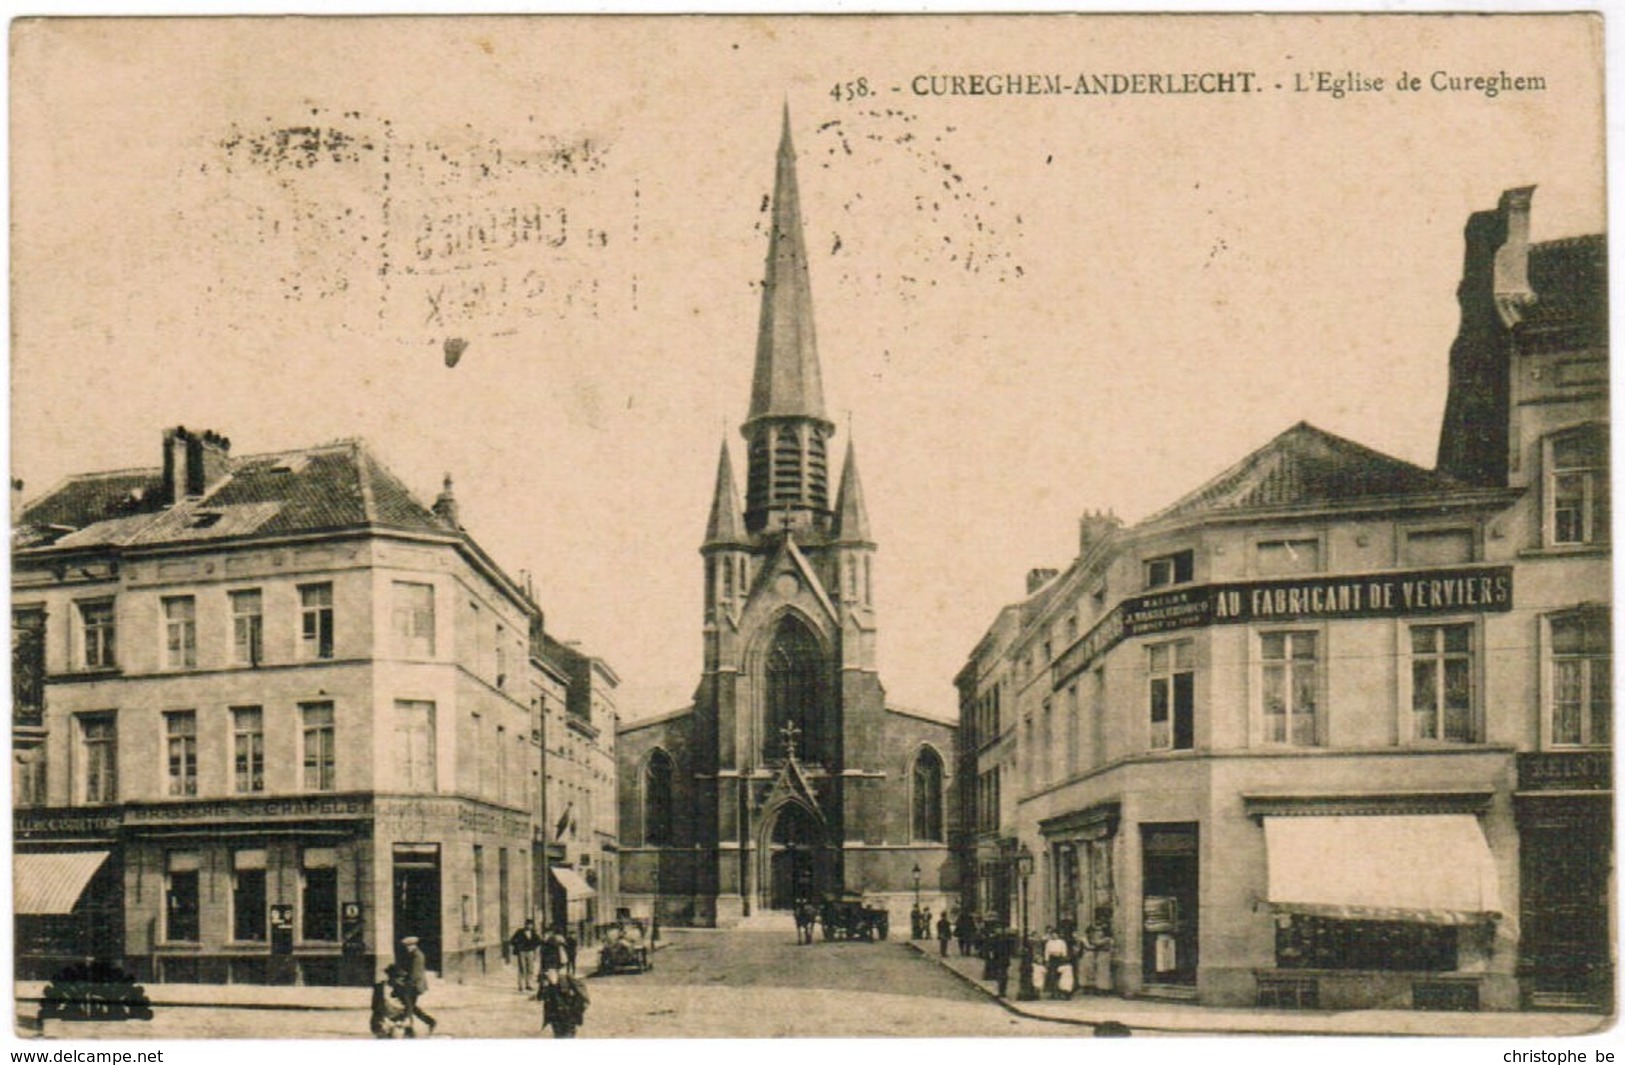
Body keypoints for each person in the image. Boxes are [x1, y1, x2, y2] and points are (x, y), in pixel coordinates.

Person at [398, 936, 436, 1036]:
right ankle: (430, 1022)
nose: (407, 948)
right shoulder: (413, 954)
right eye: (406, 946)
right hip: (413, 984)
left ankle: (408, 1028)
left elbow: (415, 973)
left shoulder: (417, 956)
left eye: (409, 946)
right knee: (411, 1006)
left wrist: (405, 982)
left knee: (409, 1006)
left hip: (414, 985)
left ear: (414, 945)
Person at [537, 969, 590, 1038]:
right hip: (555, 1016)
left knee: (568, 1036)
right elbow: (540, 997)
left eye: (551, 975)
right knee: (558, 1036)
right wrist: (543, 987)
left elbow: (582, 996)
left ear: (556, 973)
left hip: (568, 1015)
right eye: (548, 975)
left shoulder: (567, 980)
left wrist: (577, 1010)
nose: (550, 978)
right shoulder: (547, 983)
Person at [369, 965, 410, 1038]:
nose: (401, 980)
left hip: (398, 1020)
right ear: (392, 977)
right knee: (382, 1033)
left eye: (402, 978)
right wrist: (382, 1018)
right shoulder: (379, 987)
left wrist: (401, 1020)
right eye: (398, 978)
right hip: (382, 1020)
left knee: (397, 1034)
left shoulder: (402, 989)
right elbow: (374, 1006)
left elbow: (408, 1007)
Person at [509, 918, 540, 991]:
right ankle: (521, 985)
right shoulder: (519, 932)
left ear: (532, 926)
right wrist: (519, 945)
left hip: (530, 952)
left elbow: (538, 941)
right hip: (522, 952)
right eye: (528, 924)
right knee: (522, 968)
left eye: (531, 925)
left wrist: (533, 946)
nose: (529, 926)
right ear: (525, 925)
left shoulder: (533, 932)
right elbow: (512, 940)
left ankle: (528, 984)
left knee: (530, 968)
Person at [987, 925, 1013, 998]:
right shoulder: (1007, 939)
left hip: (999, 959)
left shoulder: (996, 939)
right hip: (1004, 960)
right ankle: (1002, 991)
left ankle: (1001, 991)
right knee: (1003, 974)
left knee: (1001, 975)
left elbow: (992, 949)